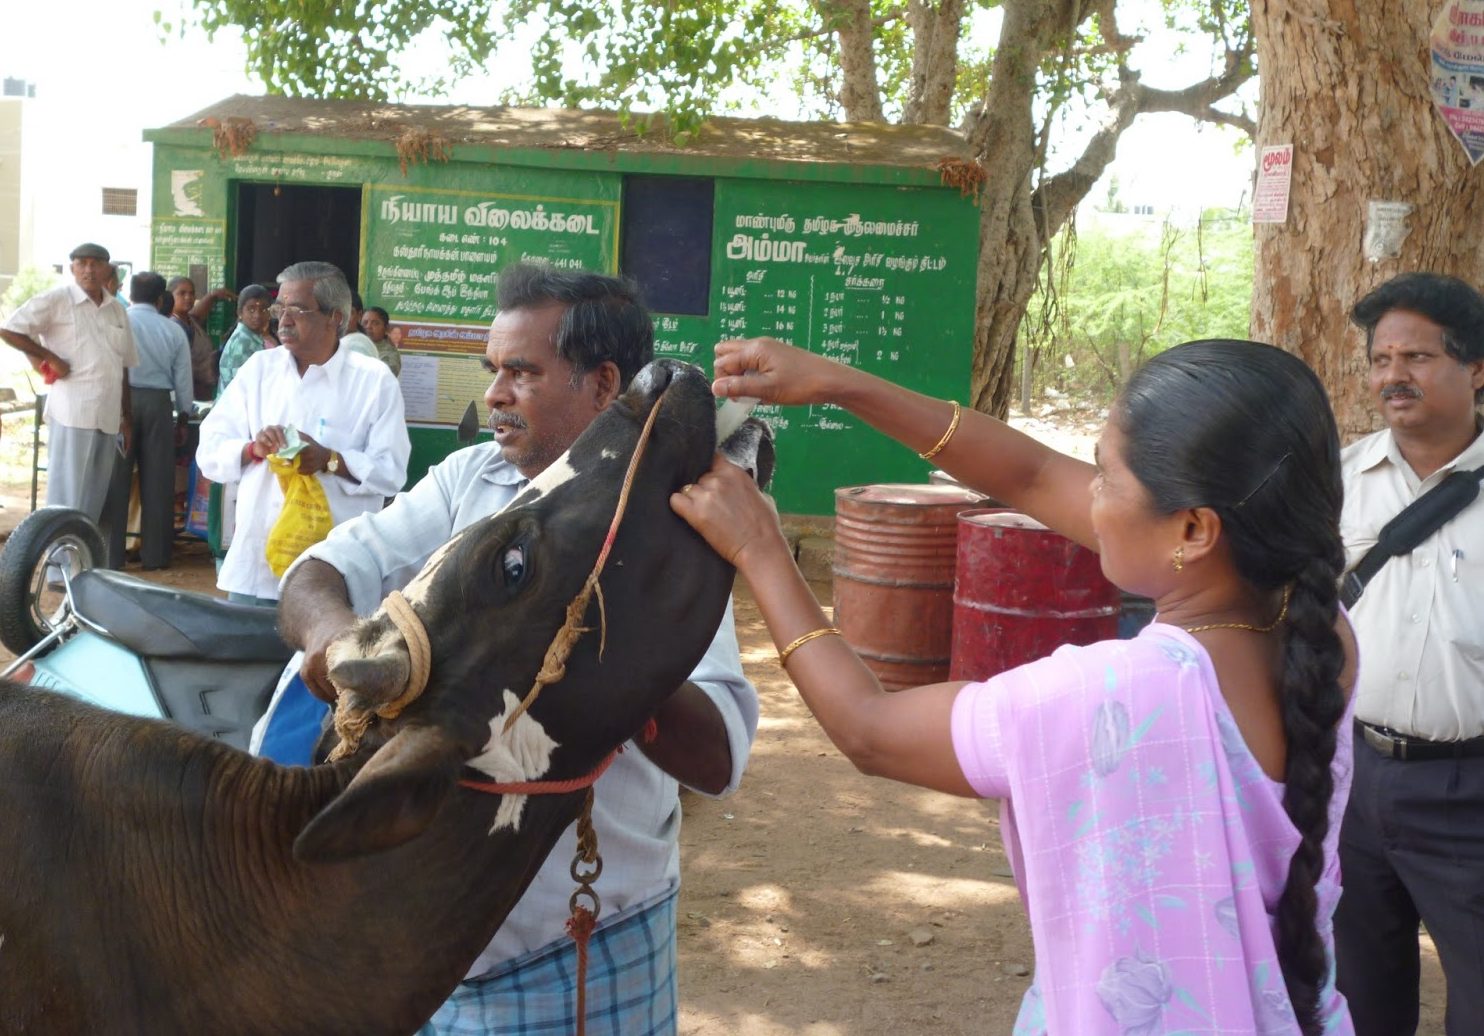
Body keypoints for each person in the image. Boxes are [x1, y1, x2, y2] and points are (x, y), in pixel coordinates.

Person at [672, 337, 1358, 1034]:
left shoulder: (1115, 697)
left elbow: (869, 728)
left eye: (1105, 477)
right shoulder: (1321, 629)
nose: (1086, 497)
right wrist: (844, 385)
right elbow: (1028, 475)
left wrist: (760, 548)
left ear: (1191, 528)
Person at [268, 263, 757, 1035]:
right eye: (494, 370)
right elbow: (318, 569)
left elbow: (719, 759)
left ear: (602, 386)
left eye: (522, 373)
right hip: (426, 936)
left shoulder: (671, 525)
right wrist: (335, 643)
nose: (494, 393)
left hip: (586, 937)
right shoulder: (471, 479)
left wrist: (588, 651)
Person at [1332, 273, 1484, 1036]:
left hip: (1473, 786)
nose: (1394, 375)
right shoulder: (1337, 482)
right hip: (1354, 778)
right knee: (1358, 995)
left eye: (1418, 357)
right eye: (1382, 358)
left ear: (1477, 369)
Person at [197, 261, 409, 605]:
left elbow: (391, 473)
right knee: (245, 656)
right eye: (280, 308)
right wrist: (253, 449)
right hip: (258, 568)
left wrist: (330, 460)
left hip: (333, 575)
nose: (283, 319)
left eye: (297, 309)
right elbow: (210, 450)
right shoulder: (260, 369)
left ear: (335, 318)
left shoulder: (373, 381)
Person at [1, 242, 138, 521]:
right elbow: (10, 329)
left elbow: (122, 366)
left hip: (108, 417)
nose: (89, 269)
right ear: (72, 268)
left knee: (93, 502)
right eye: (82, 263)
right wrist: (49, 357)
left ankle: (79, 562)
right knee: (65, 500)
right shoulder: (58, 299)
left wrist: (126, 415)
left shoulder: (117, 310)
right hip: (73, 413)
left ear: (108, 270)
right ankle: (57, 564)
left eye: (95, 263)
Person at [100, 271, 193, 570]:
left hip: (120, 403)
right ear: (160, 298)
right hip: (158, 405)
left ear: (130, 292)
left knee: (118, 480)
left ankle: (111, 558)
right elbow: (183, 378)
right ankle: (155, 557)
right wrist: (184, 416)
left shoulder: (118, 321)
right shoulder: (172, 330)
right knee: (158, 482)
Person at [168, 276, 232, 401]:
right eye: (182, 293)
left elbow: (196, 314)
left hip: (203, 390)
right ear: (170, 296)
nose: (188, 297)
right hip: (188, 393)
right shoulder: (173, 326)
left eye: (191, 293)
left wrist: (213, 295)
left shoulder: (189, 320)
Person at [216, 284, 277, 396]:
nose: (257, 315)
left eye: (263, 309)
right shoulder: (243, 343)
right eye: (251, 309)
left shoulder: (252, 338)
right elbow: (242, 390)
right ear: (240, 313)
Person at [339, 289, 379, 360]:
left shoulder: (357, 345)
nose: (343, 317)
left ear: (359, 315)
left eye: (350, 312)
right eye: (339, 312)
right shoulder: (341, 340)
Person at [361, 305, 400, 376]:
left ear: (386, 328)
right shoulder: (356, 345)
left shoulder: (390, 355)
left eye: (375, 323)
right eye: (365, 322)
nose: (368, 326)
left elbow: (382, 378)